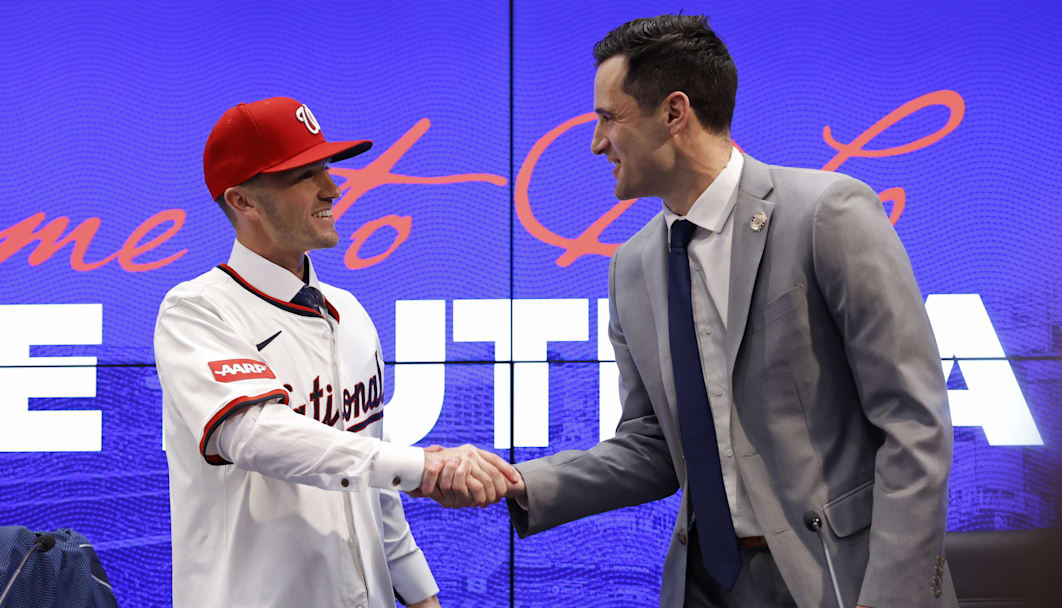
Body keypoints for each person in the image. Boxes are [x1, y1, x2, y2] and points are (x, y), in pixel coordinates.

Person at [504, 16, 957, 608]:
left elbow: (915, 422)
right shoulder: (631, 267)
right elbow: (653, 445)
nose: (595, 142)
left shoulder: (828, 212)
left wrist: (890, 598)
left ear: (674, 112)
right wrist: (520, 483)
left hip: (839, 582)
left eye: (608, 118)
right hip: (704, 588)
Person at [154, 96, 519, 607]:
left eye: (326, 166)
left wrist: (420, 595)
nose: (333, 186)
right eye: (305, 174)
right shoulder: (196, 310)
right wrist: (422, 467)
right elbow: (254, 433)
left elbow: (373, 487)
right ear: (243, 201)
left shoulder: (348, 310)